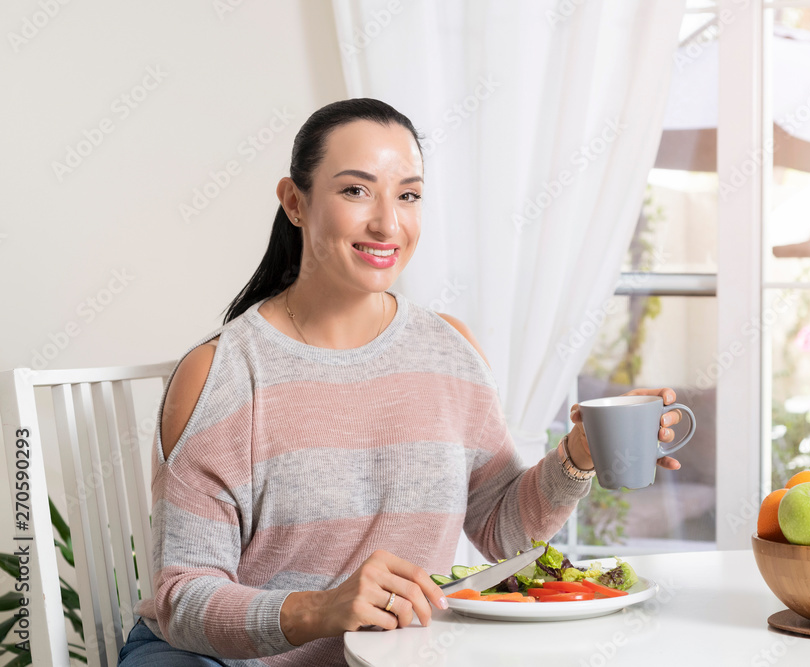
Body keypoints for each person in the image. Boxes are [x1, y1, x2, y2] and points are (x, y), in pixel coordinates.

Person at [118, 98, 683, 666]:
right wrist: (320, 609)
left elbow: (502, 531)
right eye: (355, 191)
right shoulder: (221, 373)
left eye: (408, 195)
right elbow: (183, 599)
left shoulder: (450, 351)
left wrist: (578, 454)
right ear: (295, 202)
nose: (388, 223)